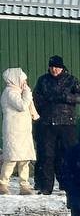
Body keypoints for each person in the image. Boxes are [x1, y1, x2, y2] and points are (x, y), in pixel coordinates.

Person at [32, 55, 80, 195]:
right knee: (47, 155)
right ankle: (46, 187)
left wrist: (67, 98)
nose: (54, 70)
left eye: (57, 67)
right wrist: (45, 103)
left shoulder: (71, 80)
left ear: (62, 68)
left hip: (67, 123)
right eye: (52, 67)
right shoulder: (43, 80)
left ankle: (70, 184)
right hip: (47, 123)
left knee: (69, 154)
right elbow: (36, 98)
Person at [1, 67, 39, 195]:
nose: (25, 83)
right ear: (15, 79)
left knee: (24, 159)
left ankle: (24, 185)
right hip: (13, 131)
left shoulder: (19, 92)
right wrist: (28, 93)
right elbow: (22, 106)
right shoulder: (10, 92)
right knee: (11, 159)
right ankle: (3, 183)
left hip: (23, 131)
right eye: (23, 80)